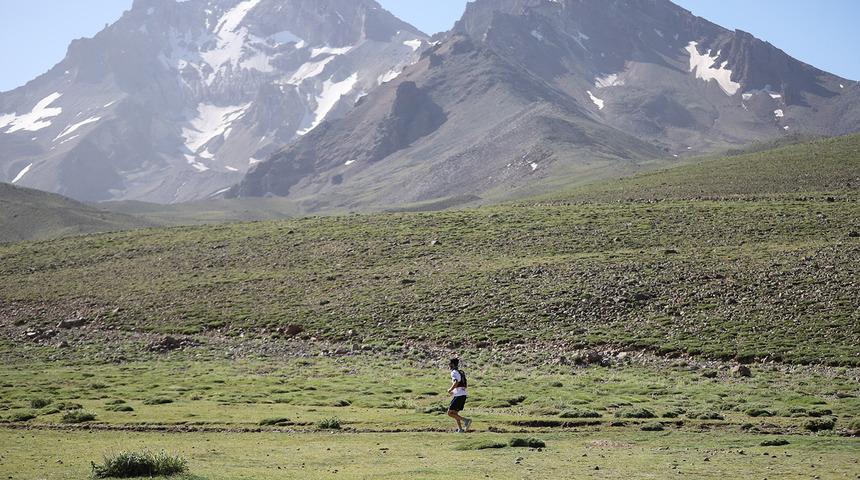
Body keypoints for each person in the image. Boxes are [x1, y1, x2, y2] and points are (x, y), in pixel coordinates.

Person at [447, 358, 472, 433]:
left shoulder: (454, 372)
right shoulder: (461, 372)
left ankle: (466, 421)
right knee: (455, 413)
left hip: (459, 395)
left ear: (453, 364)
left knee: (450, 413)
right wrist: (455, 391)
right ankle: (460, 429)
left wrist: (450, 390)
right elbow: (464, 384)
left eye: (450, 363)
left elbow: (456, 382)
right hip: (462, 394)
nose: (449, 365)